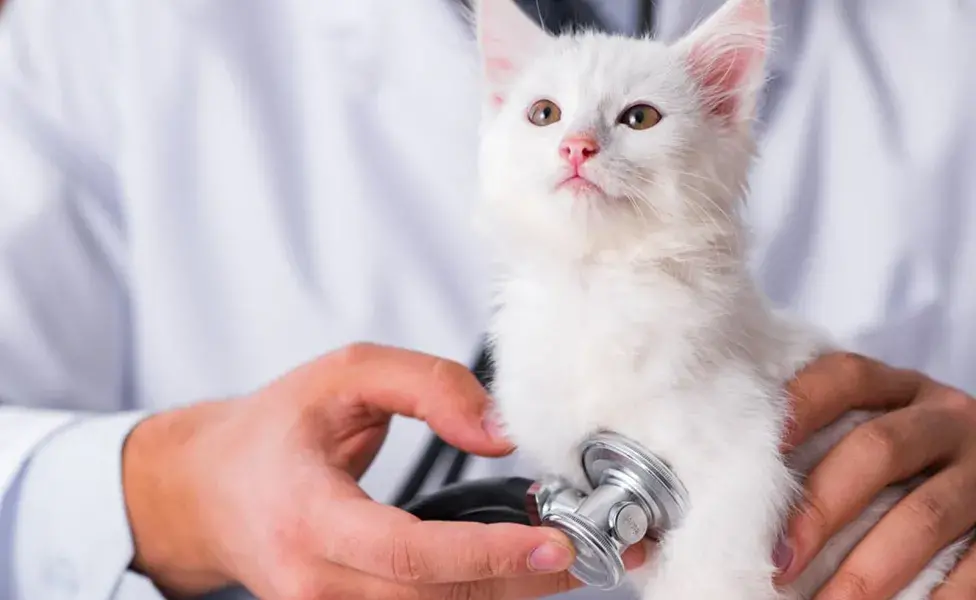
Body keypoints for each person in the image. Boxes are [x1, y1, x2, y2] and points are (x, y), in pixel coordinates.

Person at [0, 0, 973, 599]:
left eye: (630, 118)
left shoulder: (944, 42)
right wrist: (174, 492)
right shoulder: (111, 29)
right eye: (543, 114)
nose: (578, 145)